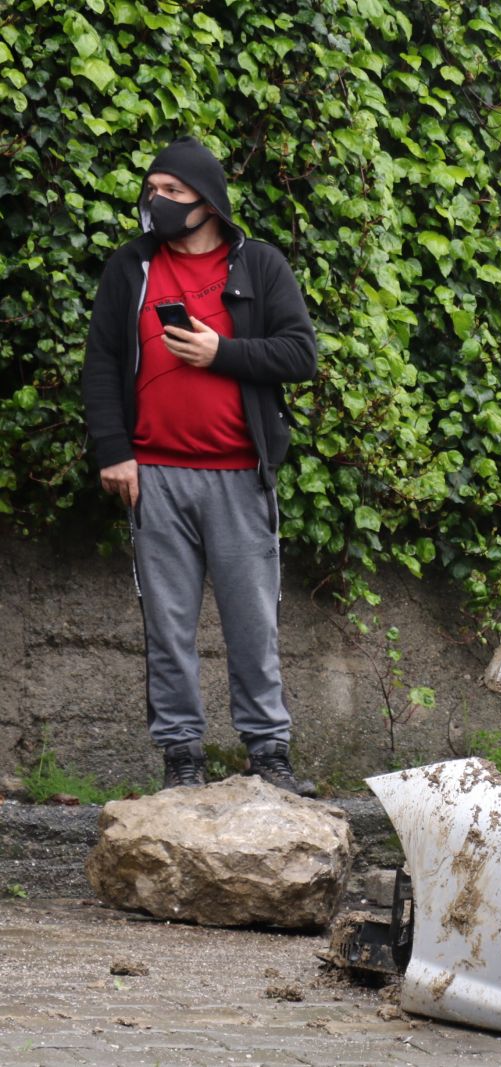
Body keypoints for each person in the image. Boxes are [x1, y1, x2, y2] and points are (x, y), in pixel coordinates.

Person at [81, 136, 318, 794]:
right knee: (167, 628)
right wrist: (114, 451)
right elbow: (102, 362)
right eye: (151, 189)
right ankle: (181, 757)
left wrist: (222, 353)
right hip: (154, 478)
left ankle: (268, 754)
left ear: (207, 202)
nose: (154, 200)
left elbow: (299, 355)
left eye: (171, 191)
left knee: (253, 624)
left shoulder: (260, 264)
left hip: (241, 476)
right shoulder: (131, 266)